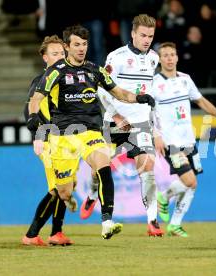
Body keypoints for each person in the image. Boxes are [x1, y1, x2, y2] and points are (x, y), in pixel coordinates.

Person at [27, 25, 155, 239]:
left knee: (104, 166)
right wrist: (33, 117)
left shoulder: (95, 70)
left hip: (91, 133)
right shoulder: (55, 71)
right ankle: (64, 204)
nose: (81, 49)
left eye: (84, 44)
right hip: (63, 138)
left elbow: (119, 92)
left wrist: (138, 97)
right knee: (63, 192)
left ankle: (107, 222)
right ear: (67, 46)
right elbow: (36, 99)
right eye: (76, 44)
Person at [82, 14, 163, 236]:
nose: (147, 40)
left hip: (141, 123)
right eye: (143, 35)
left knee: (147, 168)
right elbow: (101, 89)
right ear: (133, 33)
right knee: (99, 169)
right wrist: (117, 116)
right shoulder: (116, 57)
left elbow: (149, 90)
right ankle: (91, 195)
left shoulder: (154, 58)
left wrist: (155, 126)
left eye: (151, 36)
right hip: (115, 122)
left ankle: (153, 221)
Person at [153, 42, 216, 237]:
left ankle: (174, 222)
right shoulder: (154, 83)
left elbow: (200, 100)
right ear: (160, 59)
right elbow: (147, 111)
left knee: (192, 184)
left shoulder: (185, 80)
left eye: (173, 54)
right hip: (171, 142)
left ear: (177, 57)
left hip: (188, 140)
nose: (170, 58)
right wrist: (157, 135)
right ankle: (164, 197)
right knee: (190, 180)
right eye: (166, 55)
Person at [22, 35, 74, 246]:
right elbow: (29, 111)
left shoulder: (67, 79)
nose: (60, 57)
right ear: (45, 57)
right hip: (48, 140)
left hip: (67, 140)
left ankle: (57, 232)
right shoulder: (41, 81)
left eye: (62, 53)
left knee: (66, 185)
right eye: (55, 54)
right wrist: (38, 137)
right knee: (56, 189)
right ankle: (31, 235)